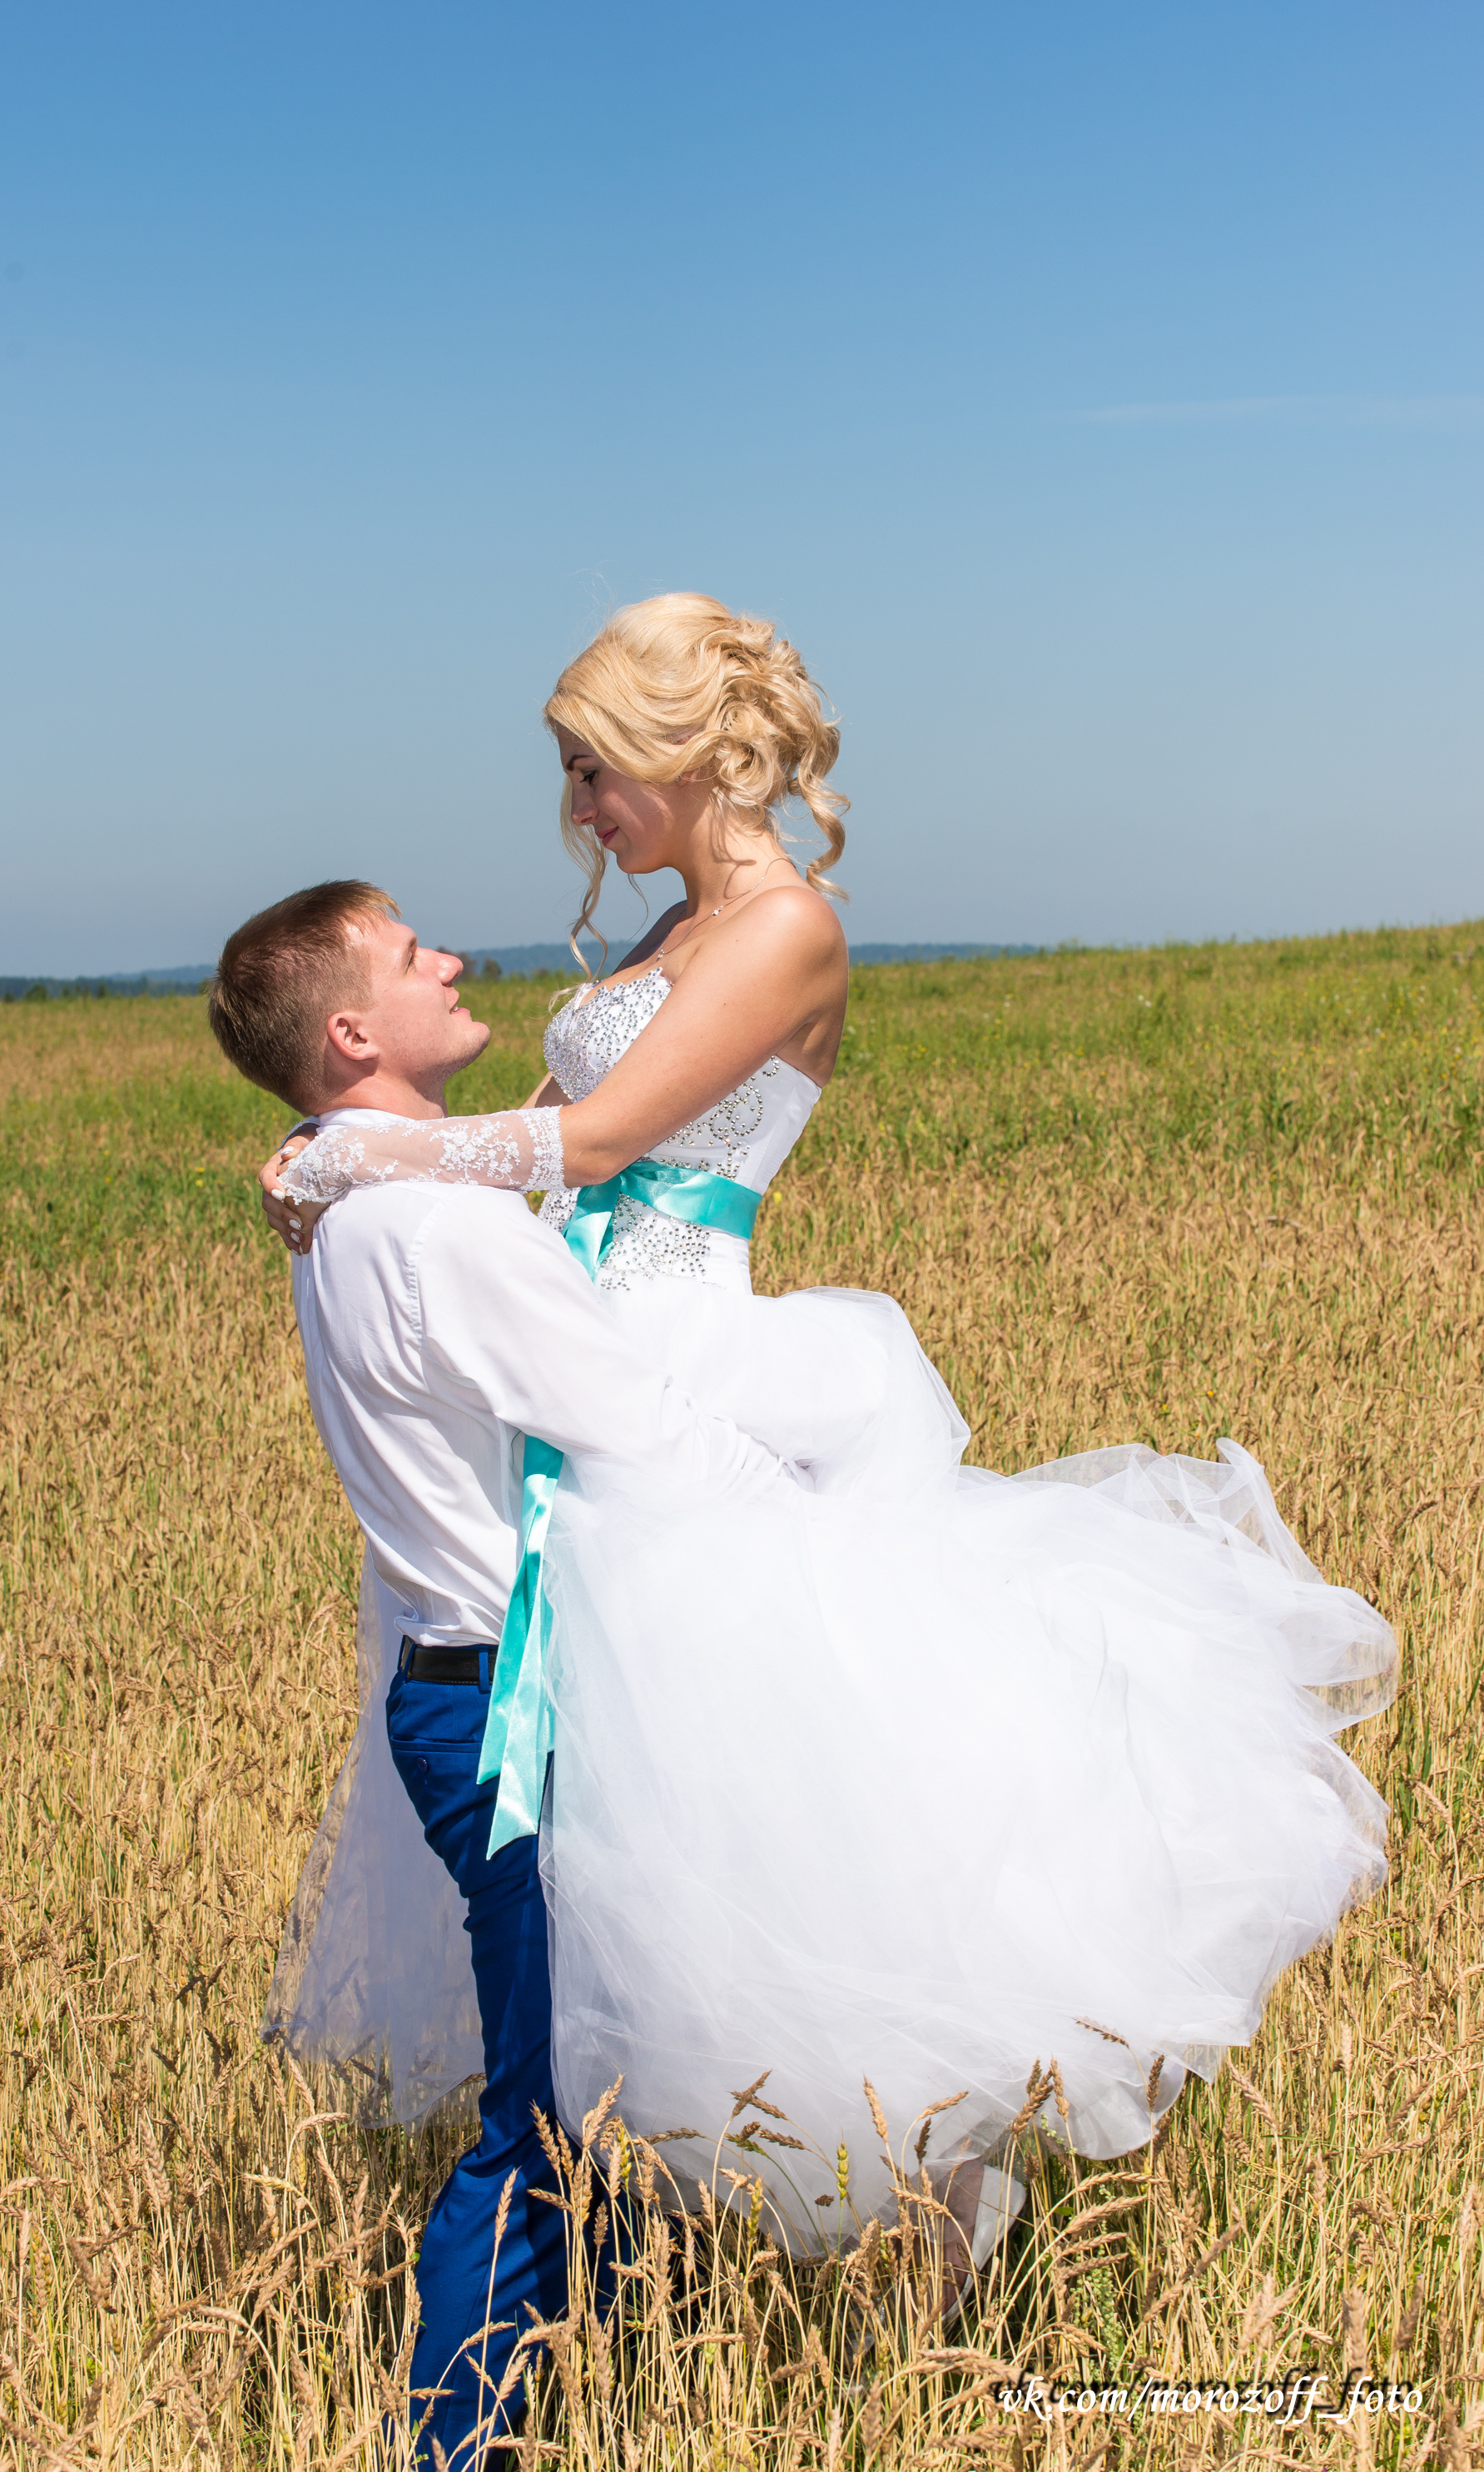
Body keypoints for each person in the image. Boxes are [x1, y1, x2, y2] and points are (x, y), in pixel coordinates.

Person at [257, 594, 1398, 2241]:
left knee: (792, 1838)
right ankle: (630, 2227)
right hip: (576, 1373)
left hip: (685, 1374)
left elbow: (588, 1148)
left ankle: (909, 2249)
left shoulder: (787, 929)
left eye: (593, 774)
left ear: (679, 757)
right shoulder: (660, 939)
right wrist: (373, 1170)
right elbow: (542, 1139)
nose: (579, 816)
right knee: (615, 1864)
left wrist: (356, 1147)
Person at [207, 879, 792, 2472]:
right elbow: (635, 1426)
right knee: (538, 2112)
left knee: (588, 2072)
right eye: (413, 958)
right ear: (350, 1031)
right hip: (506, 1710)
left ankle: (599, 2377)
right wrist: (829, 1539)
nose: (454, 961)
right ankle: (451, 2441)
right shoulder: (439, 1227)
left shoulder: (356, 1213)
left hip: (449, 1691)